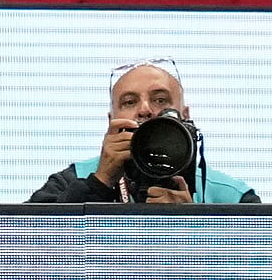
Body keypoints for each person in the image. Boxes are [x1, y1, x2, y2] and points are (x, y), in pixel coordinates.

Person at [28, 58, 259, 204]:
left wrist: (190, 226)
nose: (145, 110)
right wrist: (100, 183)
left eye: (160, 100)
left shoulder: (232, 197)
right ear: (111, 120)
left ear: (185, 116)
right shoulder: (71, 182)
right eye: (129, 102)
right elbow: (30, 252)